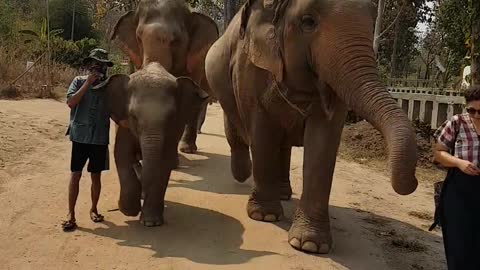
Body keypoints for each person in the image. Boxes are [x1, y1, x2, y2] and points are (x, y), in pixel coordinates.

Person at [61, 48, 114, 232]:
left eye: (102, 65)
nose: (98, 68)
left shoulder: (109, 88)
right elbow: (71, 103)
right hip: (80, 136)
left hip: (99, 138)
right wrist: (88, 84)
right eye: (95, 64)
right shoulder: (78, 81)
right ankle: (71, 214)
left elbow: (117, 114)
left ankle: (94, 209)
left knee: (96, 176)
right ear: (88, 66)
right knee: (75, 174)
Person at [432, 84, 480, 269]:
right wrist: (459, 163)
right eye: (471, 110)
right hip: (458, 191)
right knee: (458, 244)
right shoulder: (457, 123)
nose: (476, 115)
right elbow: (438, 153)